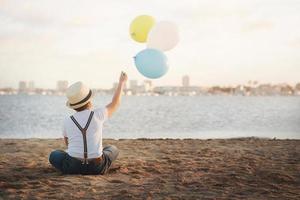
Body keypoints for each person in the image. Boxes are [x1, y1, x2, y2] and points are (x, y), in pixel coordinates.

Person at [49, 72, 128, 175]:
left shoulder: (67, 120)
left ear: (73, 106)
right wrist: (122, 82)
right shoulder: (98, 115)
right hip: (97, 167)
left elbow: (68, 143)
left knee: (54, 154)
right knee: (113, 149)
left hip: (73, 167)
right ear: (89, 101)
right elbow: (115, 103)